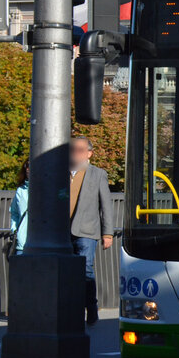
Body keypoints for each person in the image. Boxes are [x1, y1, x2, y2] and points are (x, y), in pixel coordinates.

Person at [69, 136, 114, 326]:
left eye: (80, 150)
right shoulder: (62, 173)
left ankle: (91, 308)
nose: (75, 154)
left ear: (89, 153)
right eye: (72, 150)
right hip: (63, 232)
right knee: (68, 272)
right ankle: (72, 309)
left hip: (87, 231)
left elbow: (106, 205)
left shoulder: (98, 174)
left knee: (86, 270)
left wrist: (108, 233)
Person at [9, 159, 29, 255]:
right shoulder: (20, 191)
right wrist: (14, 229)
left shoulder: (48, 189)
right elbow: (14, 212)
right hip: (22, 242)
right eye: (27, 166)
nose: (29, 169)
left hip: (43, 243)